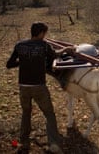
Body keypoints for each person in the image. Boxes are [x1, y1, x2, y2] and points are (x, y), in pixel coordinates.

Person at [6, 22, 75, 154]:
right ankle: (54, 144)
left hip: (23, 87)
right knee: (49, 114)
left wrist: (22, 61)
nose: (45, 36)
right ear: (41, 33)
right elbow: (55, 55)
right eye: (44, 33)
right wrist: (66, 49)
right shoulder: (43, 46)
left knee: (26, 114)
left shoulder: (19, 45)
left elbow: (9, 64)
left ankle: (24, 143)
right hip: (39, 87)